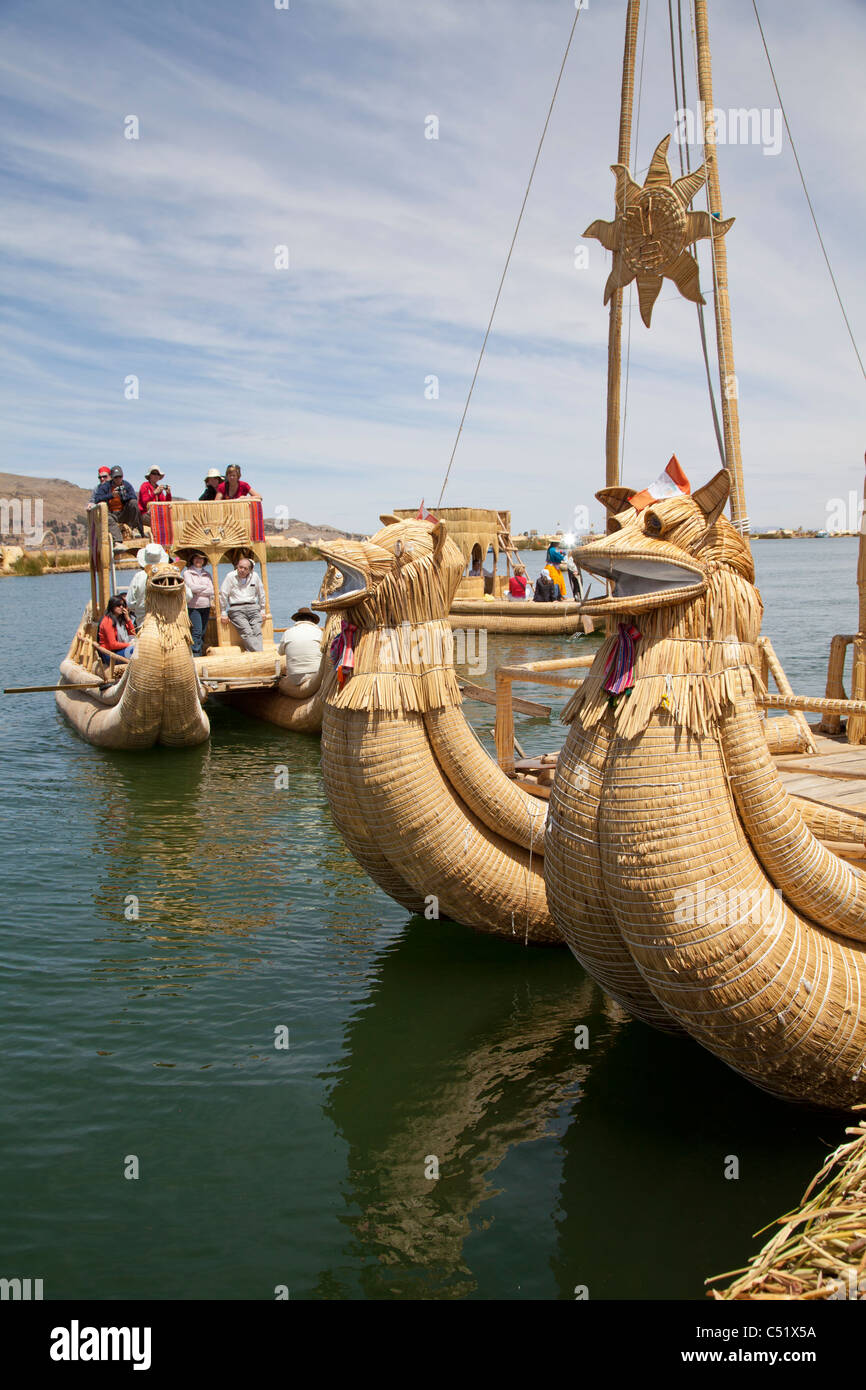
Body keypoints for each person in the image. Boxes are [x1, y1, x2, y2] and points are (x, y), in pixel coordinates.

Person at [219, 555, 267, 651]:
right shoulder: (230, 576)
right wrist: (223, 612)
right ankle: (260, 654)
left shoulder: (255, 576)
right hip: (236, 609)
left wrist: (263, 610)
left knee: (257, 631)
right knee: (247, 631)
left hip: (253, 607)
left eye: (245, 568)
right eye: (240, 567)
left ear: (250, 570)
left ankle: (256, 654)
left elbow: (261, 593)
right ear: (237, 566)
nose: (242, 570)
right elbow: (223, 594)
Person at [87, 466, 144, 542]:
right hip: (112, 513)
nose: (118, 479)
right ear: (112, 477)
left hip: (124, 513)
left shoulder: (126, 485)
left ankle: (134, 529)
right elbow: (97, 499)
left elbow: (133, 496)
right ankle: (118, 540)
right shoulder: (105, 486)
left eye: (119, 477)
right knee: (106, 517)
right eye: (115, 477)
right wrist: (111, 495)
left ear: (122, 476)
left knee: (133, 503)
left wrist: (123, 496)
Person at [279, 607, 323, 694]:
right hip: (316, 674)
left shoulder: (288, 632)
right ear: (312, 621)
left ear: (297, 620)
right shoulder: (319, 632)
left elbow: (280, 652)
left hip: (295, 677)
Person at [125, 542, 169, 625]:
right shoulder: (168, 575)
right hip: (165, 622)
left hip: (143, 621)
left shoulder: (139, 577)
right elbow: (188, 595)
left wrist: (139, 608)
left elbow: (130, 602)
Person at [182, 552, 215, 656]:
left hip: (206, 606)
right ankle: (195, 654)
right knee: (197, 631)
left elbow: (212, 590)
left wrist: (198, 590)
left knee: (203, 632)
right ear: (192, 559)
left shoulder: (207, 574)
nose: (198, 560)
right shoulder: (187, 573)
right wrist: (204, 588)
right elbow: (191, 587)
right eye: (196, 558)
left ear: (204, 561)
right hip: (194, 607)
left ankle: (200, 652)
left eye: (201, 559)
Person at [97, 596, 136, 662]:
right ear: (112, 606)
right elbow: (113, 645)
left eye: (123, 605)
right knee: (135, 650)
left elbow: (132, 634)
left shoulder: (120, 620)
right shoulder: (108, 621)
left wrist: (128, 619)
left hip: (119, 650)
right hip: (109, 654)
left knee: (142, 648)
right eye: (118, 605)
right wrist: (129, 644)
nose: (121, 607)